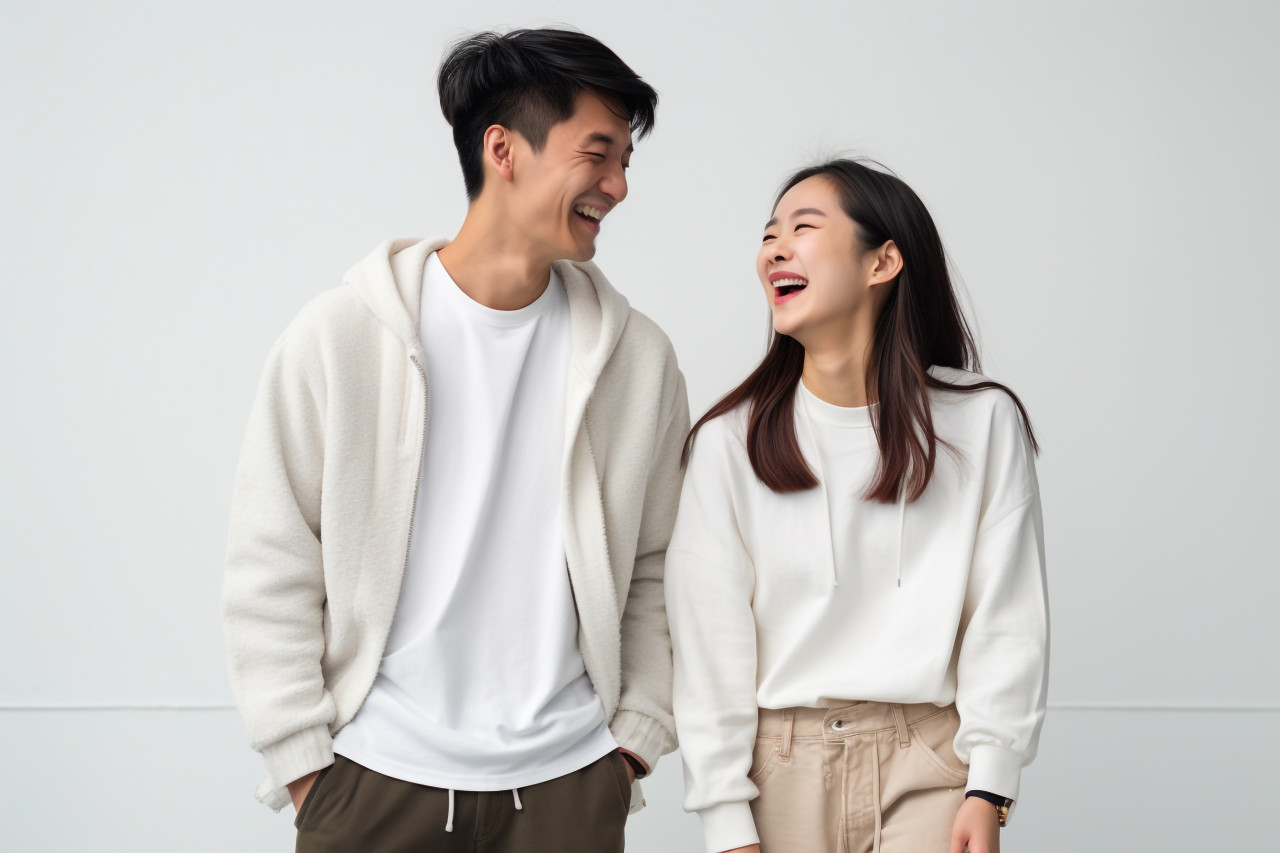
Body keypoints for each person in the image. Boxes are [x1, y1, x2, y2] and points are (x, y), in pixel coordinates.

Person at [222, 27, 688, 852]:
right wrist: (304, 766)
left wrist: (633, 745)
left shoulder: (637, 359)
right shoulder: (342, 335)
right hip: (370, 781)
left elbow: (657, 564)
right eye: (599, 154)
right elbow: (272, 558)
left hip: (568, 786)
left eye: (625, 162)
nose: (618, 185)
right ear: (503, 149)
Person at [666, 159, 1048, 853]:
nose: (773, 249)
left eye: (803, 228)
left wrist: (989, 784)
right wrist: (724, 819)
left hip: (931, 760)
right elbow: (708, 649)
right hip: (779, 771)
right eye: (768, 234)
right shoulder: (727, 444)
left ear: (884, 261)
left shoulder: (984, 423)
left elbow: (1007, 616)